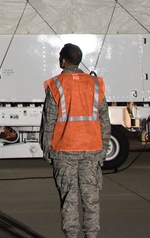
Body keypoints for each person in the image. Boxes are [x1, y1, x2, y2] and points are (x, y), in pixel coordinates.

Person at [39, 43, 111, 238]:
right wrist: (103, 150)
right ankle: (91, 235)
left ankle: (71, 236)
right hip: (92, 150)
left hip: (64, 152)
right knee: (91, 199)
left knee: (68, 199)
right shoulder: (95, 84)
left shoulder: (56, 85)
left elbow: (49, 121)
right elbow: (104, 120)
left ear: (63, 60)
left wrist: (47, 151)